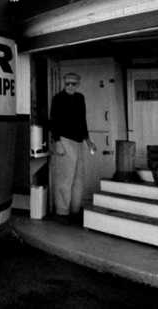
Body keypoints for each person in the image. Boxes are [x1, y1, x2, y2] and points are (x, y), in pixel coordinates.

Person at [49, 72, 96, 223]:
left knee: (78, 178)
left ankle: (75, 210)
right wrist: (57, 142)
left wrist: (89, 141)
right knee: (64, 178)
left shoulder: (80, 98)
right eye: (67, 83)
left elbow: (83, 121)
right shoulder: (58, 98)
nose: (70, 86)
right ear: (64, 83)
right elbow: (53, 122)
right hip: (64, 140)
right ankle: (62, 212)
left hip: (78, 141)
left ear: (78, 84)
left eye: (73, 84)